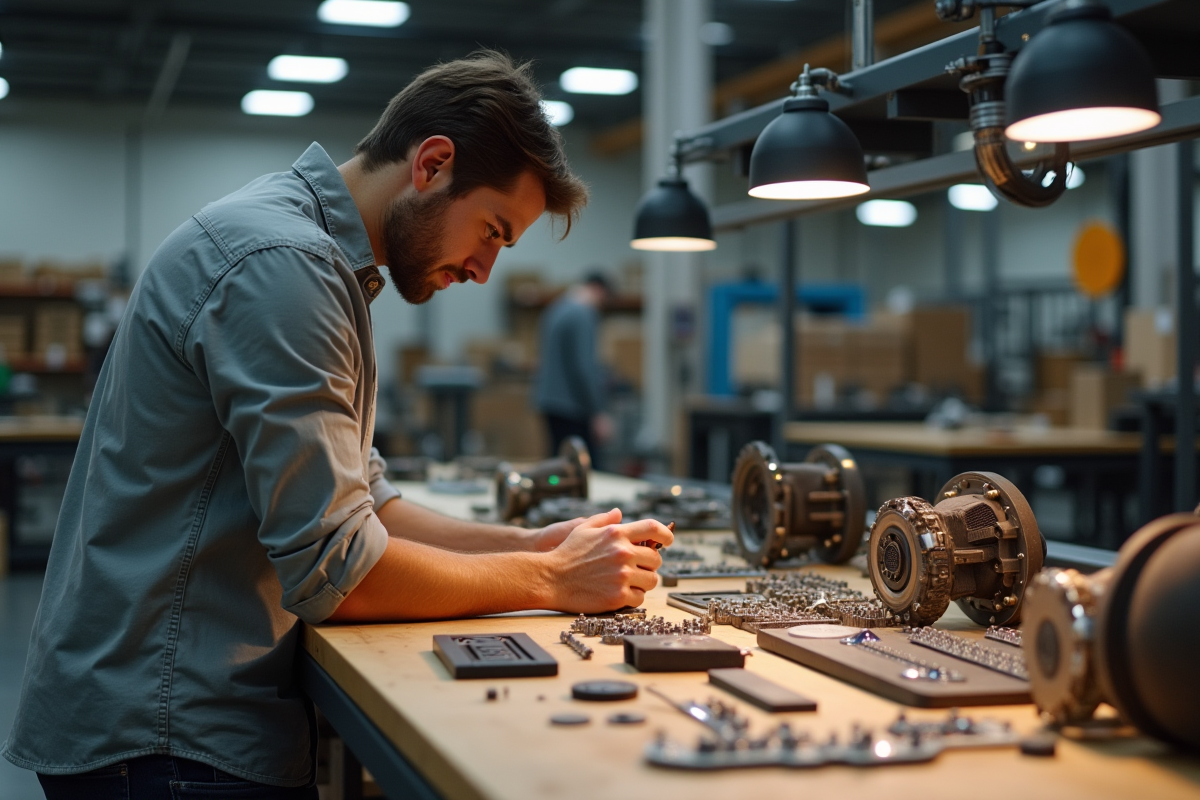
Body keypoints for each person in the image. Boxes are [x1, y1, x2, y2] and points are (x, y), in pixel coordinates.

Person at [2, 51, 672, 799]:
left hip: (164, 717)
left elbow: (368, 505)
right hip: (164, 735)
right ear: (433, 164)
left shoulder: (311, 255)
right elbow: (339, 573)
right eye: (491, 230)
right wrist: (549, 580)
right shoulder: (284, 265)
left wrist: (528, 542)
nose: (485, 269)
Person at [534, 272, 616, 463]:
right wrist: (597, 412)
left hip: (551, 401)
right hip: (572, 406)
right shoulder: (582, 313)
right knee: (582, 468)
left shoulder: (556, 308)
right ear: (598, 290)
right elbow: (584, 368)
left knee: (558, 467)